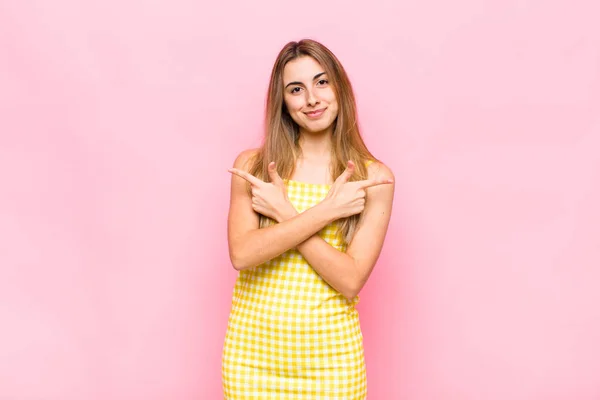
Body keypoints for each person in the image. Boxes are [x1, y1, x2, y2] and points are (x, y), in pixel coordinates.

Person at [221, 38, 395, 399]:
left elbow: (349, 280)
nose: (311, 99)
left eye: (321, 82)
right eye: (296, 89)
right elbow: (242, 254)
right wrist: (327, 212)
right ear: (283, 102)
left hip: (332, 366)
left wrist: (285, 212)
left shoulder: (373, 178)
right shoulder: (253, 167)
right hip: (251, 361)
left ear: (339, 88)